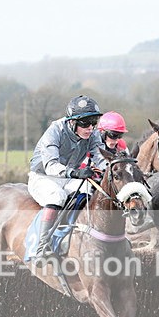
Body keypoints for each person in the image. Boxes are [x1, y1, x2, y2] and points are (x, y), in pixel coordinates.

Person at [28, 95, 106, 260]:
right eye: (85, 123)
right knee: (57, 196)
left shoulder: (93, 133)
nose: (90, 128)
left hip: (66, 177)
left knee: (90, 189)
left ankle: (73, 233)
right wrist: (76, 173)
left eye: (94, 122)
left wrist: (111, 170)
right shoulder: (54, 131)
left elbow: (101, 157)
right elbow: (51, 166)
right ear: (72, 121)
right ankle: (42, 246)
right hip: (42, 177)